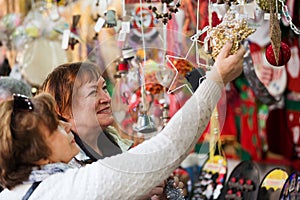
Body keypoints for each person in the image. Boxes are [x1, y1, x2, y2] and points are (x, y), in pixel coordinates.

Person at [0, 41, 245, 199]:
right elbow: (167, 148)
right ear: (39, 155)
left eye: (103, 88)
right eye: (54, 127)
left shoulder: (23, 191)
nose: (63, 125)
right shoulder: (62, 190)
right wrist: (216, 80)